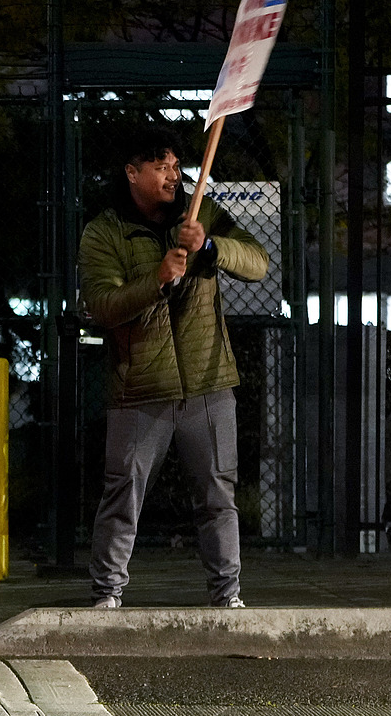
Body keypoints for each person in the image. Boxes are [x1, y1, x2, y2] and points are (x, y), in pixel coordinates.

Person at [79, 127, 270, 610]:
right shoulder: (104, 232)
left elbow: (257, 262)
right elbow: (102, 305)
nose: (173, 174)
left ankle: (227, 595)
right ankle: (107, 595)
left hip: (208, 381)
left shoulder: (199, 211)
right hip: (140, 386)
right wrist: (157, 279)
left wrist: (210, 247)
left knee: (217, 494)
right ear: (132, 173)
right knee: (123, 495)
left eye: (175, 165)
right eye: (160, 166)